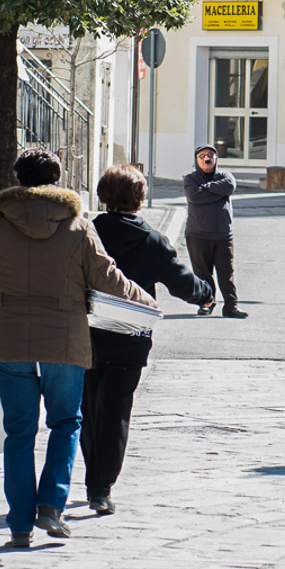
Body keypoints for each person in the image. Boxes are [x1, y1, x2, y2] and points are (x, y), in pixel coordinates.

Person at [0, 148, 157, 548]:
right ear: (58, 177)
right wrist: (146, 303)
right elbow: (107, 277)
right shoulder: (78, 226)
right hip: (64, 336)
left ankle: (18, 522)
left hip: (9, 333)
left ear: (16, 177)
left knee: (18, 432)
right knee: (65, 422)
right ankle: (51, 505)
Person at [82, 165, 213, 516]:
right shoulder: (153, 240)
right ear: (140, 199)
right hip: (130, 337)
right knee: (115, 412)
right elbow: (182, 283)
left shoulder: (88, 232)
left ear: (103, 196)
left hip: (86, 333)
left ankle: (92, 476)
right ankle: (100, 488)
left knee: (89, 409)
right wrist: (206, 293)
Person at [183, 144, 248, 318]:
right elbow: (194, 196)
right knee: (202, 274)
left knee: (226, 272)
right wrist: (217, 192)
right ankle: (206, 304)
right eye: (202, 156)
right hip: (198, 234)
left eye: (210, 155)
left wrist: (206, 188)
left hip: (223, 235)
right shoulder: (190, 179)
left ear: (216, 159)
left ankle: (231, 307)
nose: (207, 158)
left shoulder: (226, 176)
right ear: (197, 160)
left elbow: (229, 186)